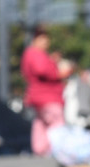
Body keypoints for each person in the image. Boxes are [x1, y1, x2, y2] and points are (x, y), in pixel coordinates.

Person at [20, 24, 72, 156]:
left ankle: (40, 147)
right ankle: (59, 148)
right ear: (35, 40)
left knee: (41, 122)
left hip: (38, 96)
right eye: (43, 39)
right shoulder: (35, 53)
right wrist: (60, 73)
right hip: (47, 96)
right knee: (56, 121)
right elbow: (41, 70)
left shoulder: (31, 53)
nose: (46, 42)